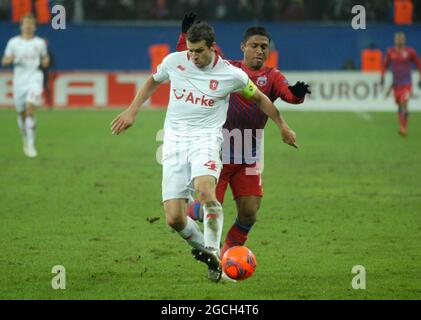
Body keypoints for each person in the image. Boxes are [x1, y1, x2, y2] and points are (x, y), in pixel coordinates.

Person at [111, 22, 298, 282]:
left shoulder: (230, 74)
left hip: (207, 140)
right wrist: (132, 110)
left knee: (205, 190)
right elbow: (152, 81)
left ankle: (213, 252)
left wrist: (282, 125)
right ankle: (211, 255)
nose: (193, 57)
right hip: (174, 142)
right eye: (190, 51)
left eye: (199, 51)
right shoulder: (176, 61)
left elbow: (260, 99)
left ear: (212, 48)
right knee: (174, 218)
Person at [177, 13, 311, 262]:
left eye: (264, 47)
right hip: (218, 151)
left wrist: (298, 93)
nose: (259, 51)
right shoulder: (228, 69)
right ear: (243, 47)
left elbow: (287, 94)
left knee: (249, 213)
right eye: (254, 46)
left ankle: (227, 254)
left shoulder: (273, 76)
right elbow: (192, 58)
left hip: (250, 155)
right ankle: (185, 209)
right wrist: (184, 36)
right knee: (207, 206)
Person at [1, 13, 50, 158]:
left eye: (31, 23)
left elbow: (45, 59)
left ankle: (30, 144)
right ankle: (25, 137)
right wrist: (10, 59)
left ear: (34, 27)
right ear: (21, 26)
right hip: (19, 82)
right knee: (22, 114)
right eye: (25, 23)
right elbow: (4, 60)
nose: (28, 26)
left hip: (35, 78)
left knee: (30, 109)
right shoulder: (13, 42)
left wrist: (45, 62)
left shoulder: (39, 43)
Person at [381, 32, 421, 136]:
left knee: (404, 102)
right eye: (397, 39)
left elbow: (419, 64)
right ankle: (402, 126)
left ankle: (404, 128)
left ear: (404, 40)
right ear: (395, 40)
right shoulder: (391, 52)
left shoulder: (410, 51)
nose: (399, 40)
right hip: (396, 84)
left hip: (407, 83)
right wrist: (382, 76)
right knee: (399, 105)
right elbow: (385, 65)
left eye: (401, 39)